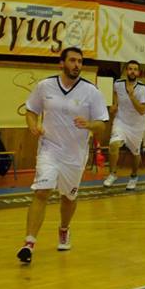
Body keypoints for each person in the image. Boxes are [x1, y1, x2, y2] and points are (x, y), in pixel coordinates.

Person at [17, 47, 108, 263]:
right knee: (41, 192)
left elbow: (102, 125)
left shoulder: (91, 91)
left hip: (75, 154)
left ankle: (64, 229)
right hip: (49, 149)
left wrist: (89, 124)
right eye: (73, 60)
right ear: (62, 63)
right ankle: (29, 244)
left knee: (68, 197)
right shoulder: (45, 86)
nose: (77, 65)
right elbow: (31, 110)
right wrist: (33, 125)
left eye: (80, 61)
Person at [103, 59, 145, 191]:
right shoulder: (118, 84)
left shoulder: (144, 88)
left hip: (136, 126)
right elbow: (115, 93)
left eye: (135, 69)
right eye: (130, 69)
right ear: (126, 71)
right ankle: (112, 174)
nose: (132, 71)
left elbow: (142, 110)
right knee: (113, 144)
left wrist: (131, 95)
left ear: (138, 72)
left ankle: (134, 176)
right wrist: (115, 104)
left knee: (135, 153)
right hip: (121, 121)